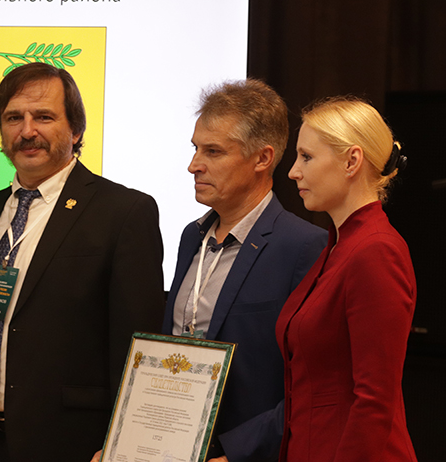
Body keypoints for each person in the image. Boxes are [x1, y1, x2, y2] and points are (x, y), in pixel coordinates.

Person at [0, 62, 165, 462]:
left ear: (76, 130)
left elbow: (136, 346)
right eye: (13, 118)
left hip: (69, 444)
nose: (27, 131)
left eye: (44, 117)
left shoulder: (123, 212)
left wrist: (124, 445)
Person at [163, 79, 327, 461]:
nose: (193, 165)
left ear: (262, 158)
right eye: (195, 148)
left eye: (213, 151)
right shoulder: (191, 237)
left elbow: (312, 388)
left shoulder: (303, 247)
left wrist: (237, 455)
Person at [278, 97, 417, 461]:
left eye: (306, 157)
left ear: (352, 161)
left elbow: (375, 400)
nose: (293, 171)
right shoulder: (342, 245)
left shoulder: (375, 250)